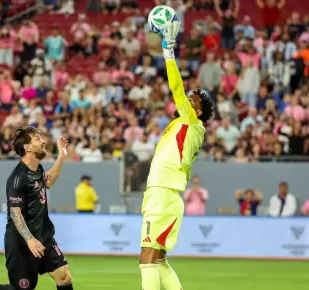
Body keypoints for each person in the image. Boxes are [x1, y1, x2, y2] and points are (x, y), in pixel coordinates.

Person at [139, 22, 214, 290]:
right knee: (158, 259)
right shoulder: (185, 126)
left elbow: (176, 88)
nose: (188, 100)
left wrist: (168, 52)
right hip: (168, 194)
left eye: (194, 100)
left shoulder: (192, 123)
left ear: (200, 112)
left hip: (163, 192)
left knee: (146, 256)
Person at [0, 126, 73, 290]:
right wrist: (29, 239)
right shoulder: (17, 178)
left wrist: (62, 157)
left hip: (43, 236)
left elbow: (48, 181)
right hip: (21, 242)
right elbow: (15, 213)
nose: (43, 141)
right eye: (37, 138)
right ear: (27, 147)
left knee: (64, 277)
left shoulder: (37, 169)